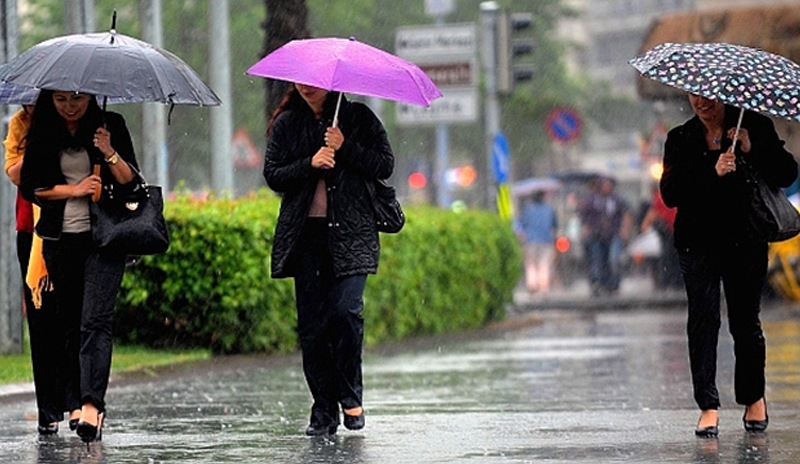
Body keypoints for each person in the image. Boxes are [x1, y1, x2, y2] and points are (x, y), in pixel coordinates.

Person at [660, 93, 797, 438]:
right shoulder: (680, 137)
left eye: (709, 97)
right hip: (698, 243)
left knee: (745, 322)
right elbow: (670, 192)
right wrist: (712, 169)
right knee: (703, 322)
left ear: (724, 96)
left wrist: (752, 148)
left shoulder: (751, 126)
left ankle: (754, 398)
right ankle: (707, 406)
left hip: (744, 240)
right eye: (694, 96)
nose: (702, 103)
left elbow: (786, 172)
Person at [264, 84, 394, 436]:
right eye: (300, 81)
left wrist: (344, 146)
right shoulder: (288, 124)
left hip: (352, 234)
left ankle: (350, 395)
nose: (306, 87)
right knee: (313, 327)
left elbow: (384, 164)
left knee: (345, 311)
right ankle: (324, 408)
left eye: (314, 81)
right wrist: (310, 162)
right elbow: (273, 174)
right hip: (305, 237)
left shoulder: (358, 118)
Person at [19, 90, 138, 443]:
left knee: (96, 321)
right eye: (60, 100)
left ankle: (91, 405)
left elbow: (130, 180)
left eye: (77, 98)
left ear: (90, 97)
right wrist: (73, 191)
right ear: (49, 102)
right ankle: (73, 401)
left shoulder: (110, 125)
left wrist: (108, 151)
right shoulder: (43, 131)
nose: (70, 106)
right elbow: (31, 187)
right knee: (69, 322)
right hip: (60, 241)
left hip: (103, 240)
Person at [4, 105, 74, 435]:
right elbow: (16, 173)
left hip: (74, 227)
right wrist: (39, 147)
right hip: (30, 229)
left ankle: (78, 402)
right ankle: (48, 408)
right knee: (41, 317)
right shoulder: (21, 124)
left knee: (72, 317)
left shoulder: (76, 121)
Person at [578, 176, 633, 295]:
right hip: (596, 234)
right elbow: (583, 215)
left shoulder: (617, 200)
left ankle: (613, 283)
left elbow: (626, 213)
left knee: (614, 259)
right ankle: (597, 283)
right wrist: (586, 227)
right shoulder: (592, 200)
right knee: (597, 259)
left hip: (613, 234)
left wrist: (625, 229)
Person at [639, 186, 681, 290]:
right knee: (671, 257)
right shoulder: (661, 197)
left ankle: (673, 281)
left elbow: (653, 213)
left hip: (673, 232)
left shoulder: (662, 197)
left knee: (671, 258)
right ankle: (673, 281)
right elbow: (654, 212)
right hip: (669, 232)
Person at [516, 191, 558, 294]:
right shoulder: (549, 209)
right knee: (544, 264)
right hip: (546, 240)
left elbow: (520, 224)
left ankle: (532, 285)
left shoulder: (527, 210)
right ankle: (544, 286)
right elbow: (555, 225)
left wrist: (520, 236)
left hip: (530, 241)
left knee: (531, 265)